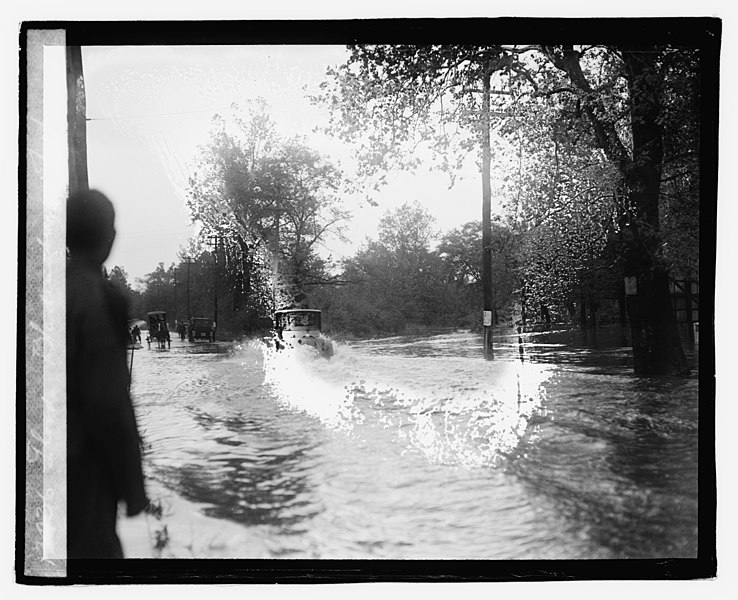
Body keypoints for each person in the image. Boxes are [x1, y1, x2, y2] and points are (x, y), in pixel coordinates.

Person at [66, 189, 148, 559]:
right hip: (80, 468)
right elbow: (108, 404)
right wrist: (133, 485)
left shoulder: (32, 288)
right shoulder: (100, 299)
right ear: (109, 237)